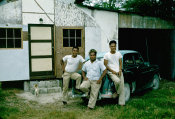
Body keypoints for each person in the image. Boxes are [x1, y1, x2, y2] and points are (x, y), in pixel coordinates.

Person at [104, 40, 125, 106]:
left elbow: (120, 63)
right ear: (109, 46)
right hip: (111, 72)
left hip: (118, 71)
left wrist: (120, 70)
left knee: (122, 86)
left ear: (116, 46)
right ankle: (117, 93)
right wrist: (112, 71)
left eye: (114, 46)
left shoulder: (118, 54)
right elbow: (105, 65)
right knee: (117, 81)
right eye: (112, 46)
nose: (113, 47)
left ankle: (121, 103)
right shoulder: (107, 55)